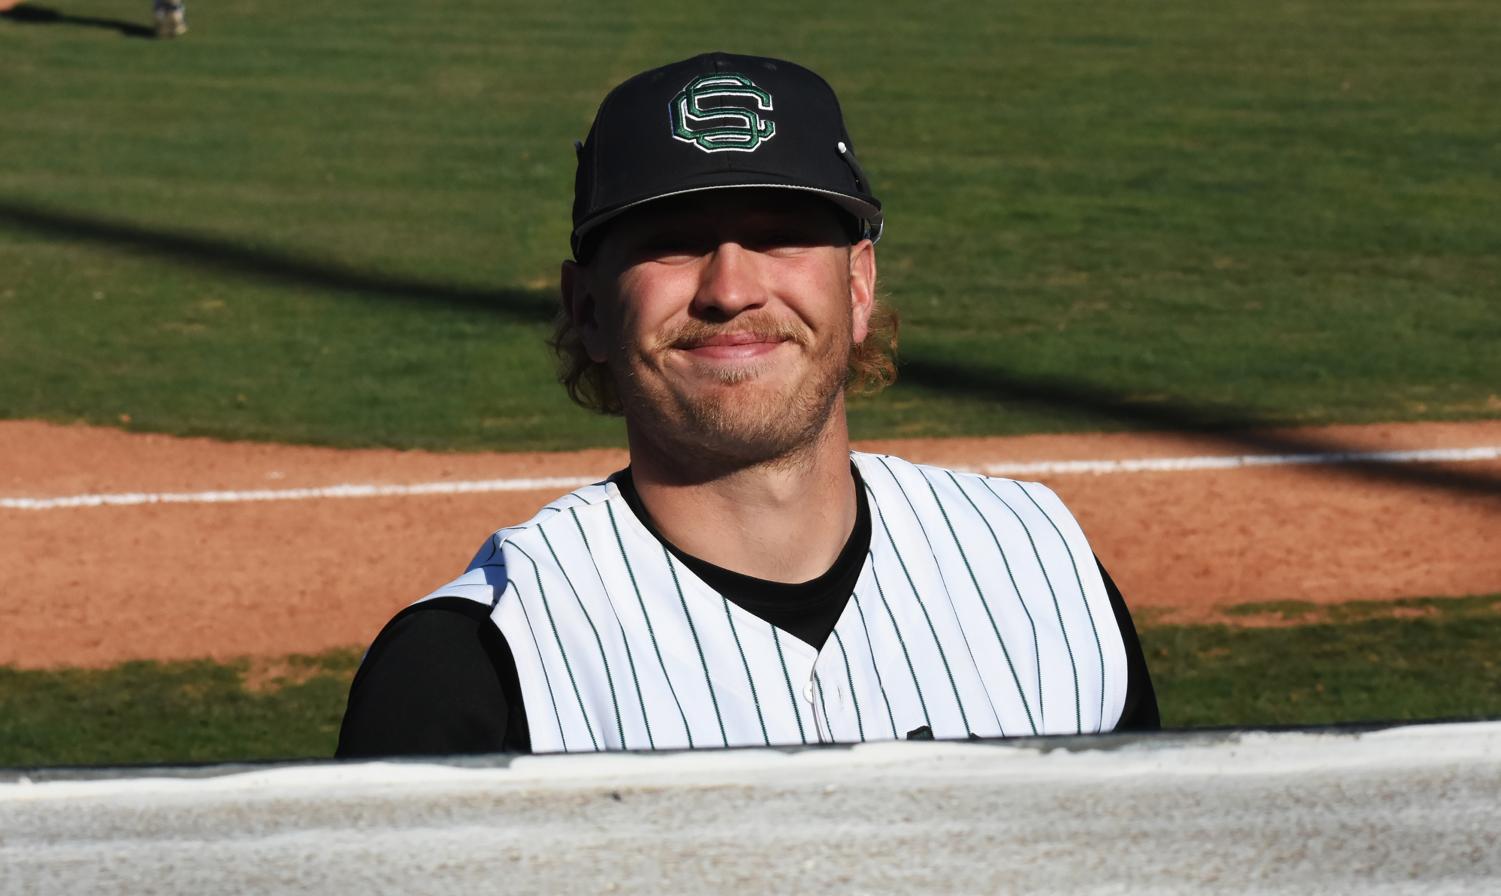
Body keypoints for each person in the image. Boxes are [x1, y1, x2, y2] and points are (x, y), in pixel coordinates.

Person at [337, 52, 1158, 757]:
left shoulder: (1039, 566)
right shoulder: (473, 661)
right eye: (673, 240)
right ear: (586, 307)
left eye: (778, 233)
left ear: (859, 283)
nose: (730, 288)